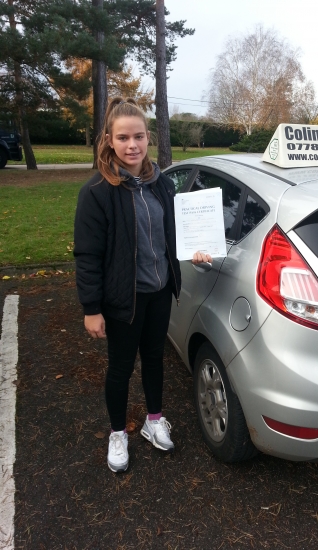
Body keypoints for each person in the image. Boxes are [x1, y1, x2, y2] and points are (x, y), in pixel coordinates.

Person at [74, 97, 211, 473]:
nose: (131, 145)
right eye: (123, 138)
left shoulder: (160, 185)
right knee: (120, 369)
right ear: (108, 140)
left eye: (138, 136)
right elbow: (87, 256)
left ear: (148, 138)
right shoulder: (97, 193)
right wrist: (91, 308)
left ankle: (153, 420)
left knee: (153, 359)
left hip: (159, 292)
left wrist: (195, 250)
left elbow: (174, 232)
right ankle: (118, 432)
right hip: (123, 299)